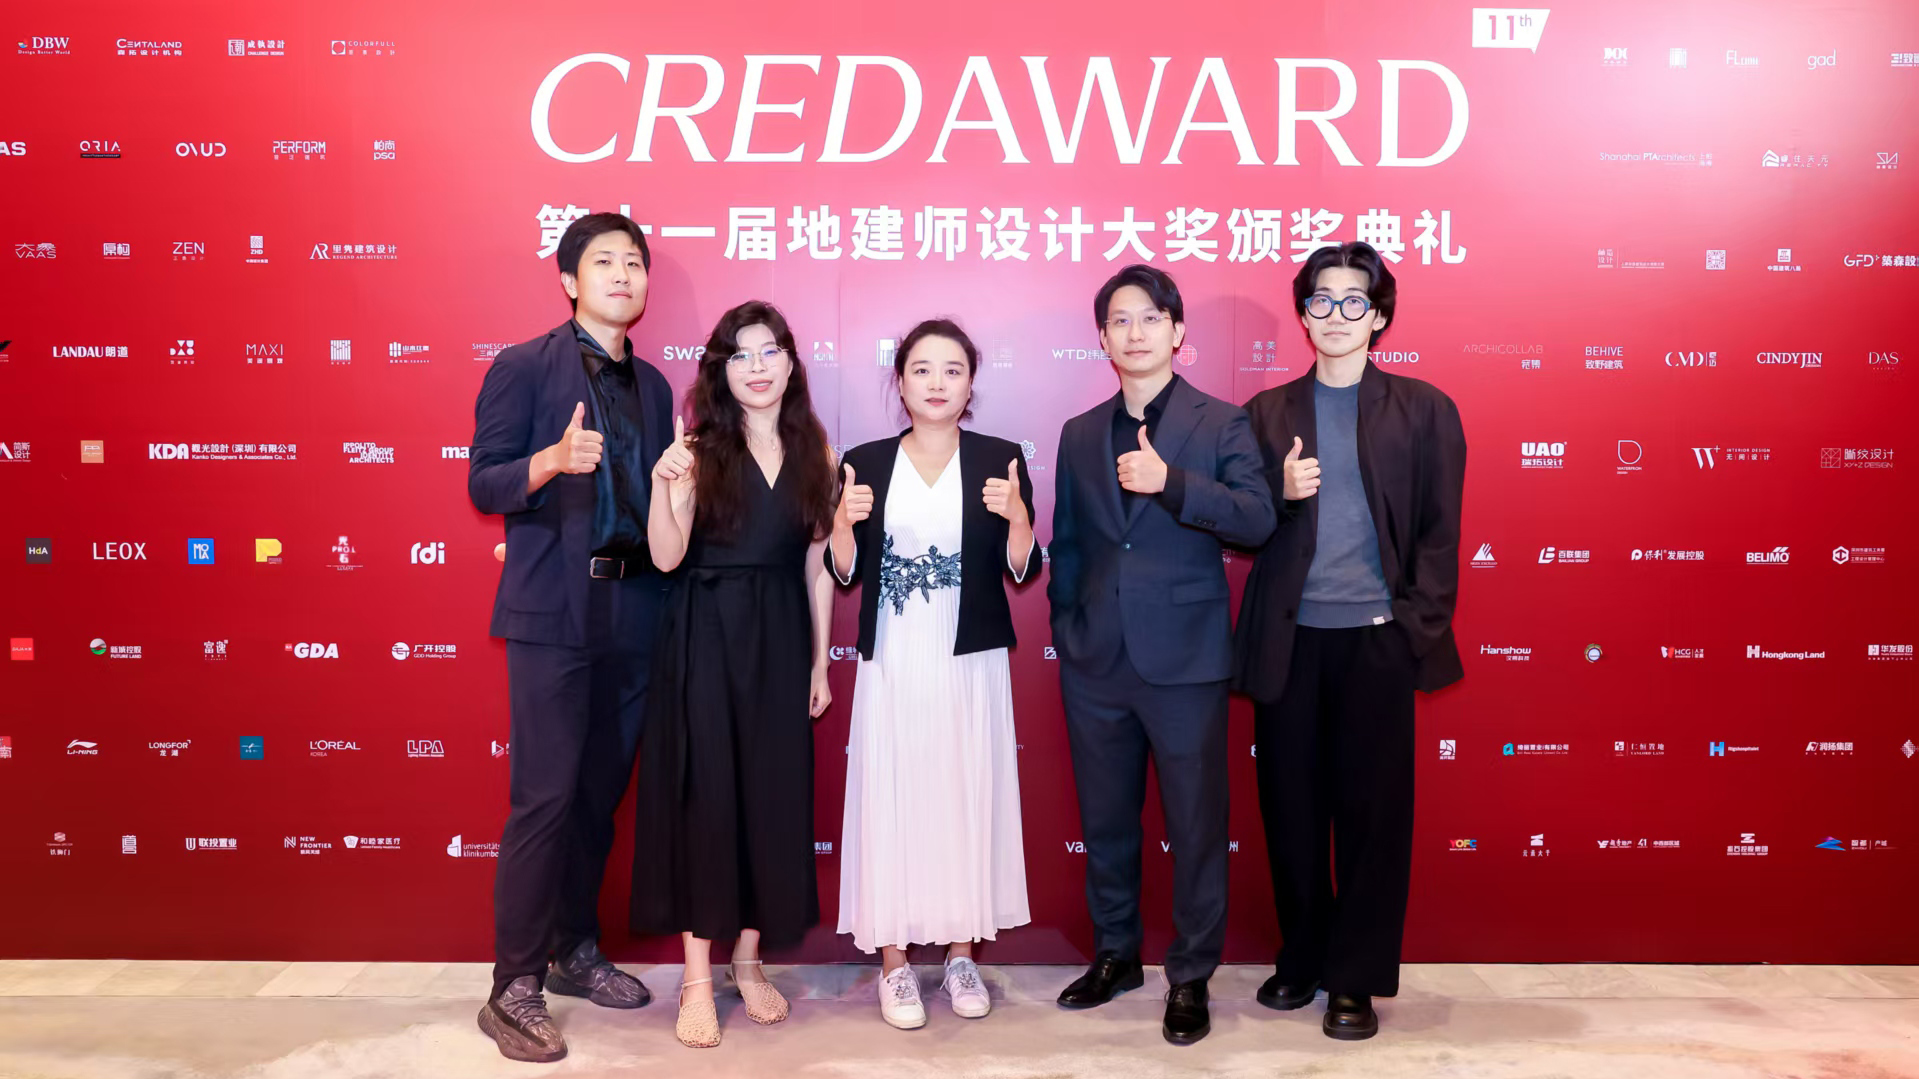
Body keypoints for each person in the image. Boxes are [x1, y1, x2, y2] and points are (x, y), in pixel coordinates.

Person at [1234, 241, 1467, 1041]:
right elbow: (1240, 524)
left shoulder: (1424, 408)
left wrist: (1410, 630)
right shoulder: (1264, 414)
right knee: (1290, 812)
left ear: (1378, 316)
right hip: (1289, 643)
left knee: (1371, 818)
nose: (1335, 314)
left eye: (1352, 301)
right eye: (1320, 300)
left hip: (1376, 642)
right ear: (1302, 316)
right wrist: (1278, 494)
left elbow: (1440, 533)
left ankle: (1354, 978)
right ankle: (1302, 957)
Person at [1047, 265, 1276, 1045]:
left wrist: (1171, 482)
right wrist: (1071, 628)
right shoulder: (1080, 432)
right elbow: (1069, 544)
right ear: (1102, 338)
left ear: (1177, 331)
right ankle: (1115, 953)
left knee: (1196, 824)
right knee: (1106, 821)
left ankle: (1190, 973)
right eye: (1119, 319)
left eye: (1150, 317)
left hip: (1184, 661)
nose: (1134, 331)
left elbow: (1255, 520)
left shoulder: (1221, 422)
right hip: (1095, 661)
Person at [467, 212, 671, 1063]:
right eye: (604, 262)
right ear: (568, 280)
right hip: (555, 611)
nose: (622, 274)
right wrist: (549, 462)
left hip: (635, 609)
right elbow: (484, 483)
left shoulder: (654, 385)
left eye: (634, 262)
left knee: (596, 797)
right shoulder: (523, 365)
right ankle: (511, 986)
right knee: (545, 799)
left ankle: (573, 950)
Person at [630, 300, 838, 1048]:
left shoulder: (816, 450)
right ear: (720, 369)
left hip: (781, 639)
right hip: (706, 636)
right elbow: (664, 556)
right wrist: (664, 488)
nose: (756, 367)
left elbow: (818, 564)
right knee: (707, 799)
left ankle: (748, 962)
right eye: (739, 354)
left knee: (771, 800)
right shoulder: (696, 449)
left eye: (769, 351)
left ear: (790, 362)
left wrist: (820, 659)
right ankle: (696, 978)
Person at [827, 319, 1036, 1029]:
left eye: (952, 369)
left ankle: (959, 955)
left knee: (963, 792)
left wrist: (1018, 519)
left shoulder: (1000, 458)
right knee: (894, 794)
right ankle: (894, 963)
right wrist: (841, 525)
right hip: (895, 651)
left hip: (968, 654)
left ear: (971, 382)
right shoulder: (863, 461)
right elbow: (844, 572)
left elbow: (1021, 568)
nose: (937, 383)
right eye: (921, 369)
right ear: (900, 381)